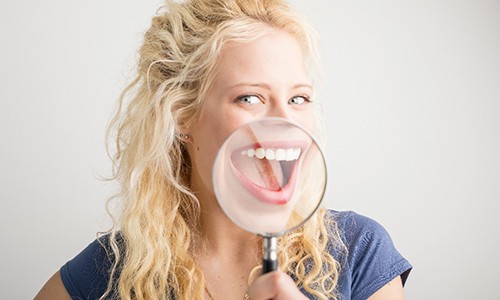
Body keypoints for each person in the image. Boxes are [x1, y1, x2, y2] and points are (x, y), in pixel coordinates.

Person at [35, 0, 412, 299]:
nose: (286, 123)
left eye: (299, 98)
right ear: (182, 115)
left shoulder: (357, 254)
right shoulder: (109, 273)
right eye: (250, 98)